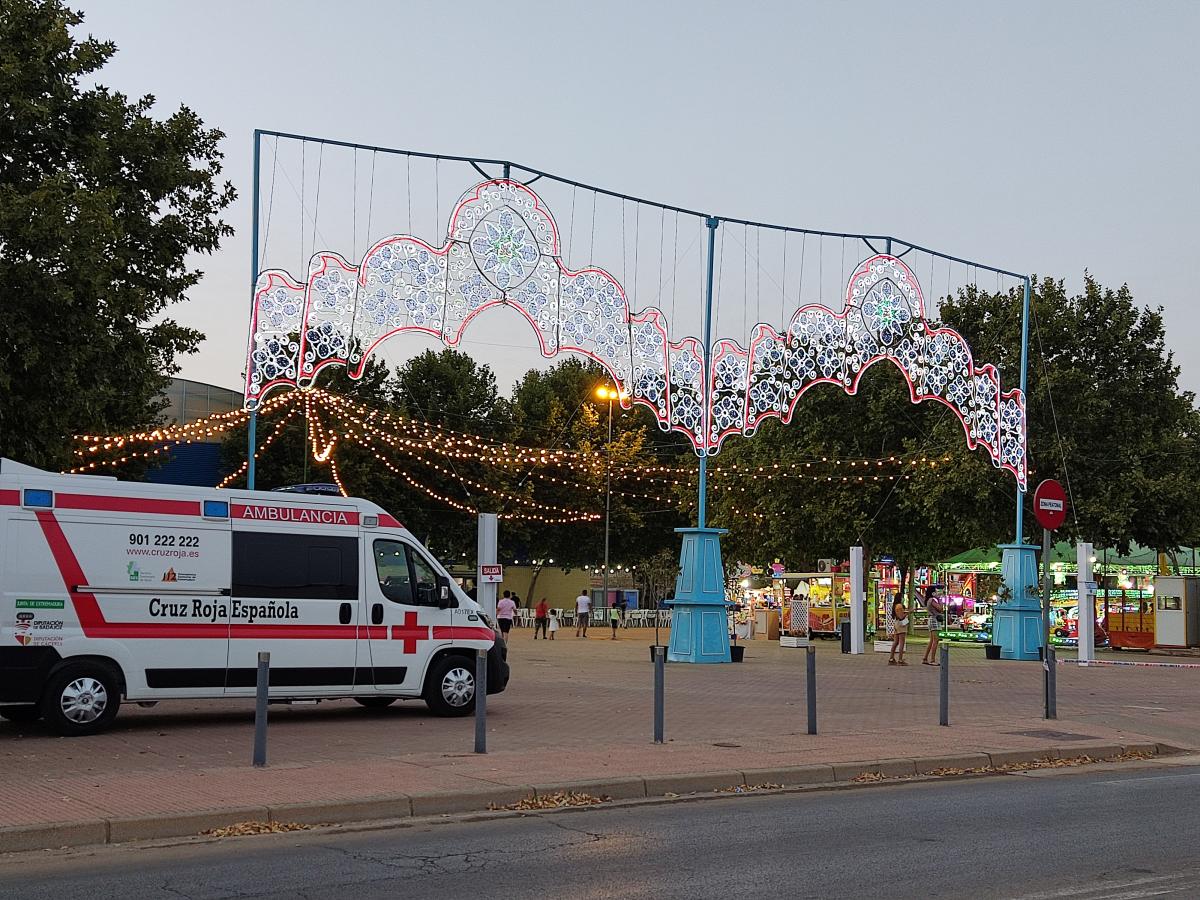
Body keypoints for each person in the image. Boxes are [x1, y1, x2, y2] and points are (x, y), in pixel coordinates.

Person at [923, 587, 944, 666]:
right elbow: (940, 609)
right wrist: (940, 600)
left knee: (932, 640)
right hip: (934, 620)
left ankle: (925, 658)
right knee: (936, 640)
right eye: (935, 591)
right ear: (932, 592)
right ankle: (932, 659)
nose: (937, 592)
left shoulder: (929, 600)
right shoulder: (932, 600)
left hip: (932, 620)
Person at [889, 594, 909, 665]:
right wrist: (908, 613)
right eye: (902, 597)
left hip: (897, 623)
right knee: (901, 642)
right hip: (901, 625)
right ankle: (900, 660)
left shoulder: (895, 606)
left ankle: (891, 658)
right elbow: (901, 616)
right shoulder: (899, 606)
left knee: (896, 642)